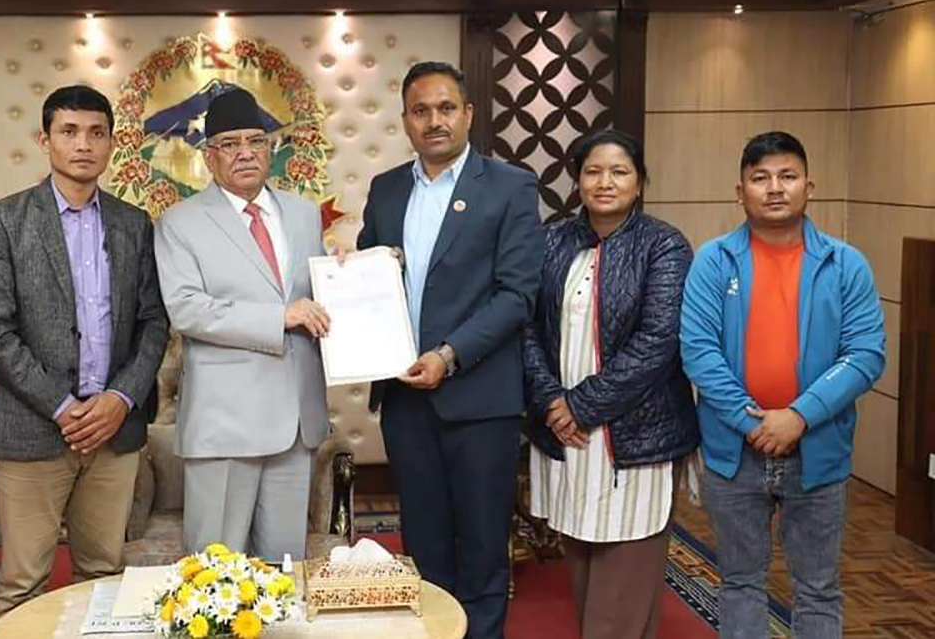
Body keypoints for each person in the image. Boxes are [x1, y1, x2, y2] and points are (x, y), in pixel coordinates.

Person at [356, 61, 544, 639]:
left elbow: (517, 295)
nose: (433, 121)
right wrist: (354, 270)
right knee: (424, 547)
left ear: (467, 114)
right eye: (420, 111)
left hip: (480, 398)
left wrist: (449, 354)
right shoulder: (387, 189)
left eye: (445, 108)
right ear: (405, 120)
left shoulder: (510, 186)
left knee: (483, 548)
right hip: (405, 399)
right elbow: (370, 274)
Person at [0, 85, 169, 617]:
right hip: (33, 430)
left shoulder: (133, 223)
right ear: (45, 140)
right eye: (69, 131)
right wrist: (62, 407)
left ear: (112, 144)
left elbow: (154, 322)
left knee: (103, 577)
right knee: (22, 585)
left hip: (113, 432)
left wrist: (121, 399)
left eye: (96, 133)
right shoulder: (2, 219)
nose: (83, 144)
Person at [680, 131, 885, 639]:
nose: (775, 188)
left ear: (809, 187)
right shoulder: (713, 261)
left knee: (818, 589)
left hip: (819, 450)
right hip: (734, 451)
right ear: (740, 192)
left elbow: (865, 354)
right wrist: (752, 423)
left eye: (787, 176)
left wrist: (798, 417)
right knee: (740, 584)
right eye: (761, 178)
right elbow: (698, 352)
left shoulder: (845, 264)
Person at [523, 129, 698, 639]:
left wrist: (580, 406)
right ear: (577, 180)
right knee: (582, 560)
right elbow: (526, 327)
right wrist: (551, 401)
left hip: (636, 433)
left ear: (640, 182)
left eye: (619, 172)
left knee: (623, 574)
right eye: (593, 171)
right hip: (565, 432)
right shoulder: (551, 240)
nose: (605, 182)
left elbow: (658, 341)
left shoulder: (664, 244)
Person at [153, 87, 329, 562]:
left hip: (297, 421)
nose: (246, 153)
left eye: (256, 140)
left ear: (272, 148)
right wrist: (280, 316)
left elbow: (316, 295)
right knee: (217, 571)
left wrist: (359, 276)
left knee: (285, 569)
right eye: (230, 144)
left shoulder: (303, 215)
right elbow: (186, 309)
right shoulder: (180, 223)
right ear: (208, 157)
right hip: (225, 425)